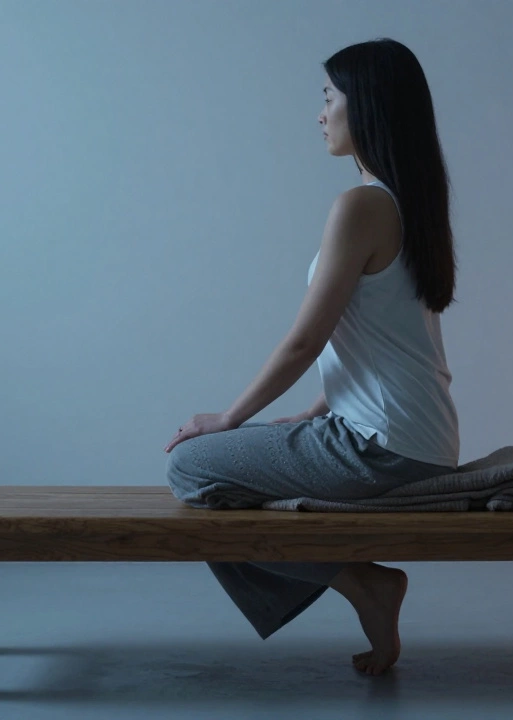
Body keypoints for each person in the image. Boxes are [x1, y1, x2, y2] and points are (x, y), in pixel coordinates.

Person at [164, 38, 460, 676]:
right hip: (419, 438)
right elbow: (383, 342)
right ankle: (361, 584)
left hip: (381, 449)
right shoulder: (408, 203)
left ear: (368, 108)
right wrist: (308, 413)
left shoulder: (361, 206)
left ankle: (361, 584)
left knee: (192, 469)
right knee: (232, 469)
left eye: (329, 98)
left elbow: (306, 339)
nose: (320, 113)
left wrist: (227, 418)